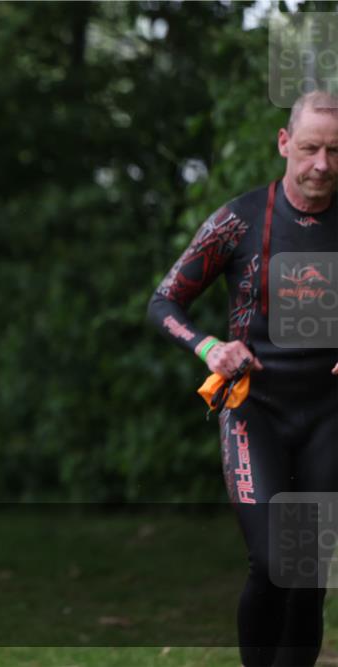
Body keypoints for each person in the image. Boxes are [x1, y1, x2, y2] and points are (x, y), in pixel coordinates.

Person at [147, 90, 338, 667]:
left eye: (334, 151)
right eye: (309, 148)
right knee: (274, 561)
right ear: (284, 143)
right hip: (256, 410)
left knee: (307, 571)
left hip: (329, 414)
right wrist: (208, 346)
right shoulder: (241, 219)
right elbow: (163, 302)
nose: (322, 164)